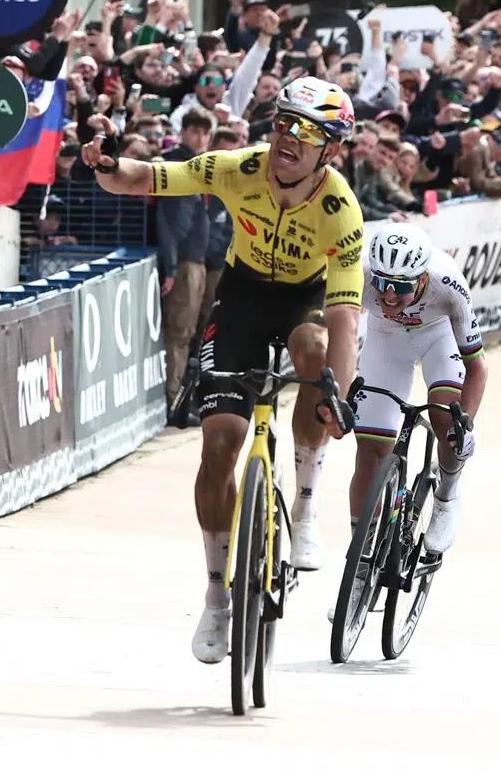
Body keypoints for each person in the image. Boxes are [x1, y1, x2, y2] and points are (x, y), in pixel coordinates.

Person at [81, 75, 364, 665]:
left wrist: (336, 396)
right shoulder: (240, 168)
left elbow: (345, 317)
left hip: (304, 302)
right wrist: (107, 166)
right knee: (219, 447)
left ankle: (307, 502)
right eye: (285, 121)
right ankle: (216, 596)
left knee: (316, 354)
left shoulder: (341, 210)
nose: (290, 137)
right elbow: (152, 177)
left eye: (308, 131)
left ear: (329, 148)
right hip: (240, 299)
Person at [329, 224, 489, 620]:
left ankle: (447, 492)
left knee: (444, 422)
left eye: (401, 287)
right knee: (369, 452)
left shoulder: (446, 280)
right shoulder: (358, 272)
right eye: (382, 283)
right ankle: (361, 564)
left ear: (422, 278)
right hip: (386, 341)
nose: (387, 295)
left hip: (439, 338)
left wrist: (463, 425)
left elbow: (478, 368)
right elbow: (340, 335)